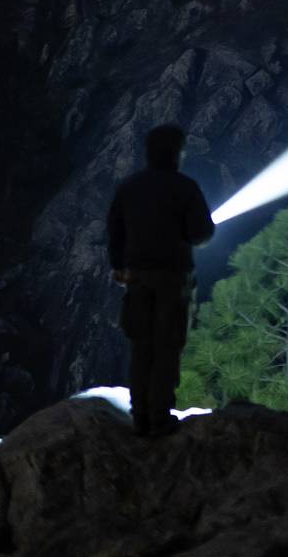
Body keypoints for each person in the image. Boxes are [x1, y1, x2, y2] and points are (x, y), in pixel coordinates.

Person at [106, 123, 215, 437]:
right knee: (167, 347)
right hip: (173, 280)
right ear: (176, 153)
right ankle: (159, 418)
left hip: (136, 280)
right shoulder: (185, 188)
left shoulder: (129, 187)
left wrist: (118, 266)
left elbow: (114, 231)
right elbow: (203, 233)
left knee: (142, 346)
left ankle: (139, 416)